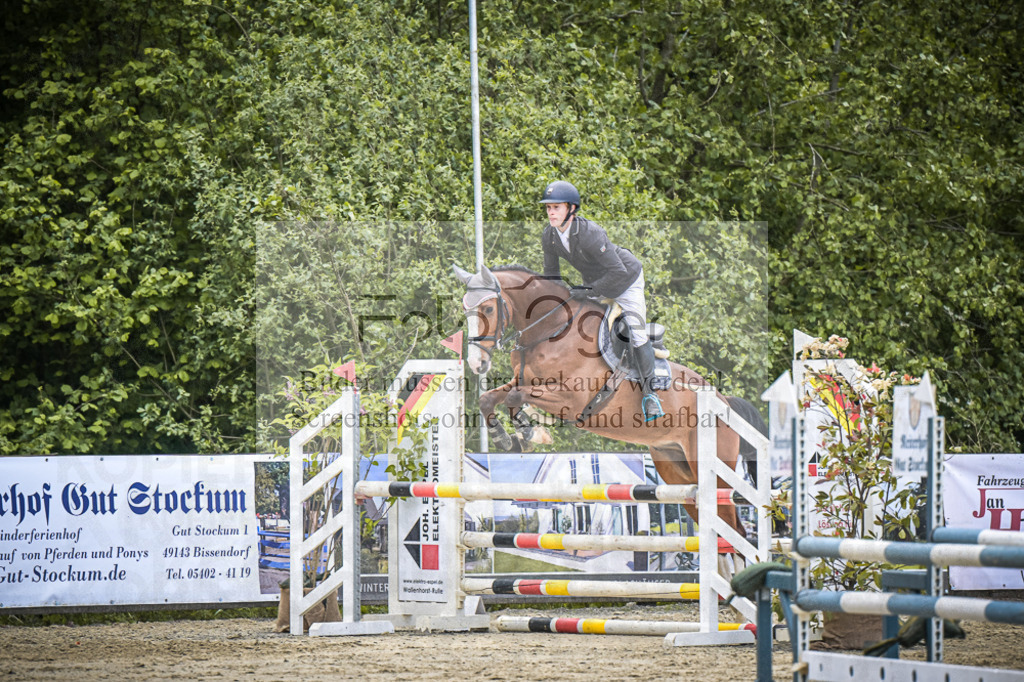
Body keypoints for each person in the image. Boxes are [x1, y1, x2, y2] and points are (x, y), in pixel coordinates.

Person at [539, 180, 664, 422]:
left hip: (626, 280)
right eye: (548, 208)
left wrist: (589, 290)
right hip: (595, 284)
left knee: (635, 332)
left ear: (571, 209)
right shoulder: (550, 236)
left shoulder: (590, 233)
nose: (551, 213)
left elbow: (617, 271)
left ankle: (651, 395)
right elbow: (551, 275)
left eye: (556, 208)